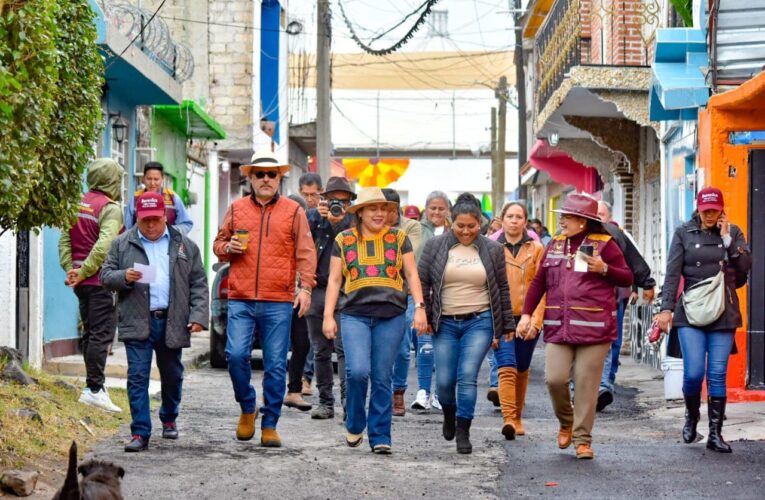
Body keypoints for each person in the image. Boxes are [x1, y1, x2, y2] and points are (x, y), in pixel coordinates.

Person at [213, 150, 316, 448]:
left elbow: (306, 254)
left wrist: (306, 288)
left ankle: (270, 422)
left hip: (278, 300)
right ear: (251, 178)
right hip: (241, 297)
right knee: (234, 355)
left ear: (280, 178)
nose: (266, 179)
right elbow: (218, 245)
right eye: (260, 174)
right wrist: (227, 246)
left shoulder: (293, 211)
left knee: (274, 365)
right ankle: (248, 406)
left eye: (272, 174)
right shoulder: (236, 208)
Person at [517, 192, 632, 460]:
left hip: (594, 327)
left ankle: (582, 439)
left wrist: (604, 268)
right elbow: (538, 283)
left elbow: (627, 277)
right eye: (563, 216)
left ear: (582, 221)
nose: (562, 221)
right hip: (559, 325)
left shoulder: (605, 244)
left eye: (567, 217)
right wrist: (526, 314)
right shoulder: (555, 243)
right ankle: (566, 421)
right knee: (554, 379)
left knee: (586, 383)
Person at [101, 192, 209, 452]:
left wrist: (197, 316)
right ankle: (140, 432)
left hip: (172, 320)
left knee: (172, 375)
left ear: (165, 217)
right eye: (145, 220)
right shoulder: (121, 244)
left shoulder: (184, 245)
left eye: (155, 220)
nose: (150, 225)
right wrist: (124, 276)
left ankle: (169, 417)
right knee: (137, 377)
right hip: (137, 319)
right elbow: (105, 276)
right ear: (137, 217)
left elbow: (198, 283)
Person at [322, 187, 427, 454]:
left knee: (382, 377)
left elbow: (412, 275)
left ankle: (381, 435)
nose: (379, 213)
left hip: (391, 316)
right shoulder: (343, 240)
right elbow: (334, 280)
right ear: (360, 213)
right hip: (354, 315)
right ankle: (355, 423)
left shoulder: (399, 238)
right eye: (373, 209)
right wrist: (328, 316)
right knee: (357, 372)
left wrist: (419, 308)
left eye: (383, 209)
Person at [655, 187, 751, 453]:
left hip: (723, 311)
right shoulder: (683, 232)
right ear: (698, 207)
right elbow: (672, 273)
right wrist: (666, 309)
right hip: (691, 312)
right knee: (694, 372)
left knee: (717, 374)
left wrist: (728, 242)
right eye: (705, 210)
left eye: (715, 209)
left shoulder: (733, 232)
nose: (710, 215)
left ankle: (715, 434)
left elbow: (745, 269)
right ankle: (691, 416)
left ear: (722, 209)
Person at [418, 193, 515, 454]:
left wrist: (506, 325)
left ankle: (464, 430)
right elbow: (422, 282)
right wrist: (424, 314)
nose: (465, 231)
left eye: (471, 226)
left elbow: (502, 288)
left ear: (479, 224)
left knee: (468, 376)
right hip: (445, 322)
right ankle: (449, 413)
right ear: (451, 221)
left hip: (479, 321)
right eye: (460, 226)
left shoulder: (493, 250)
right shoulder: (435, 247)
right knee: (445, 382)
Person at [58, 158, 125, 413]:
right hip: (100, 281)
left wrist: (71, 270)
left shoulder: (78, 204)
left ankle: (94, 387)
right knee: (101, 334)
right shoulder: (109, 208)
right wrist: (84, 270)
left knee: (89, 333)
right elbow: (104, 245)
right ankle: (94, 389)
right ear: (111, 180)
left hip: (81, 283)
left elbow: (65, 238)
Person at [596, 201, 656, 411]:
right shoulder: (572, 235)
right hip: (583, 301)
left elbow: (634, 260)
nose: (597, 217)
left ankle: (606, 384)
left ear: (608, 216)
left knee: (612, 340)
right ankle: (586, 386)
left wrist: (646, 283)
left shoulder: (616, 233)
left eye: (601, 214)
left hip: (614, 298)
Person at [493, 202, 546, 439]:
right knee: (506, 368)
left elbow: (543, 287)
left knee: (522, 368)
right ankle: (509, 419)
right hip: (501, 317)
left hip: (527, 316)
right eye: (510, 216)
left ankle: (518, 416)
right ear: (502, 220)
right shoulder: (491, 247)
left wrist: (536, 321)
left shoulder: (536, 249)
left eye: (519, 217)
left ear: (525, 221)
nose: (514, 221)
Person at [306, 176, 356, 420]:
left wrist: (341, 220)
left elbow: (352, 247)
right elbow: (302, 242)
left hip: (348, 292)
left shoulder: (355, 221)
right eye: (333, 200)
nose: (337, 205)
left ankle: (348, 402)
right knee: (320, 351)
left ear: (350, 203)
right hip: (318, 289)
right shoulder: (314, 218)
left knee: (345, 349)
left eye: (343, 201)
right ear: (324, 199)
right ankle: (326, 402)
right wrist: (319, 216)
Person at [383, 188, 425, 417]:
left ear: (395, 209)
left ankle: (398, 391)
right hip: (377, 294)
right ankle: (382, 392)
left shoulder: (412, 227)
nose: (380, 213)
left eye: (386, 209)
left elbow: (407, 253)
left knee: (401, 349)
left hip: (405, 295)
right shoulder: (370, 225)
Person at [283, 194, 313, 412]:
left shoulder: (309, 233)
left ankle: (294, 390)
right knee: (274, 349)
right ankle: (273, 392)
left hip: (299, 296)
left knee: (302, 343)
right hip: (276, 296)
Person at [298, 173, 323, 394]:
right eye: (305, 195)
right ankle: (305, 378)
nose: (310, 199)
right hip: (308, 282)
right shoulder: (304, 217)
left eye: (313, 194)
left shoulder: (331, 215)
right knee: (309, 335)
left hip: (329, 282)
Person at [125, 162, 193, 234]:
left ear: (162, 179)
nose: (152, 183)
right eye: (149, 179)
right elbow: (127, 228)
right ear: (143, 179)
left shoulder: (173, 198)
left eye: (156, 179)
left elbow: (187, 224)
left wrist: (168, 231)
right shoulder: (135, 199)